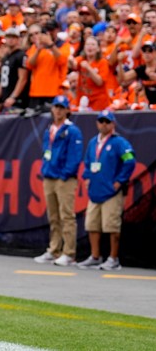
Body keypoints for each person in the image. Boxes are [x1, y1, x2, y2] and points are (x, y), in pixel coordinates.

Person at [77, 110, 135, 271]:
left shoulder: (119, 142)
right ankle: (95, 256)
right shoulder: (93, 142)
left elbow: (130, 161)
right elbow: (88, 162)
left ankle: (113, 258)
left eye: (107, 121)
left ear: (113, 124)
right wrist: (87, 177)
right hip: (95, 190)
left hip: (111, 191)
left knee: (111, 226)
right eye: (101, 121)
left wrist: (120, 181)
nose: (104, 124)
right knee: (92, 224)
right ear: (97, 123)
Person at [33, 95, 83, 266]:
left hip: (64, 179)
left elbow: (75, 157)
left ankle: (69, 252)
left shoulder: (73, 130)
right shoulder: (50, 129)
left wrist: (65, 174)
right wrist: (45, 171)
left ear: (67, 110)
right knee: (53, 216)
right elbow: (47, 151)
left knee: (67, 216)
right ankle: (54, 250)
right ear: (52, 109)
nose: (59, 110)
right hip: (49, 176)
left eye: (62, 107)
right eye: (56, 107)